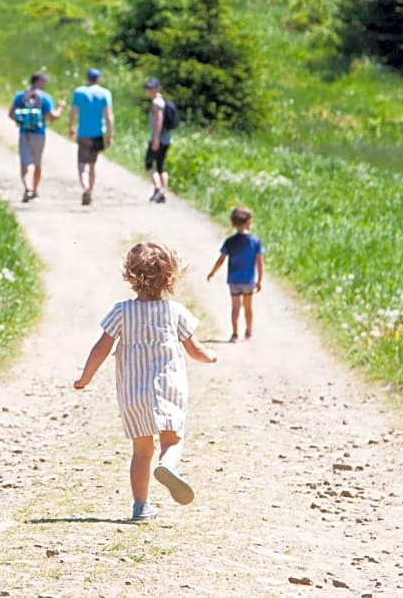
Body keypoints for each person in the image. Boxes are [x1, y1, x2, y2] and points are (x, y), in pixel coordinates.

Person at [73, 241, 217, 522]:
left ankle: (140, 506)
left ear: (130, 276)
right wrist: (210, 356)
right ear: (170, 277)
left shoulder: (121, 311)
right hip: (168, 388)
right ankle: (168, 467)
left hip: (133, 392)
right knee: (172, 441)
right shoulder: (174, 311)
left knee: (141, 451)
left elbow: (101, 347)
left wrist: (85, 376)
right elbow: (195, 350)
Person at [206, 206, 265, 343]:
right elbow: (260, 262)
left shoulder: (230, 241)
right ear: (249, 221)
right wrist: (260, 280)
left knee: (235, 307)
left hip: (233, 279)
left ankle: (234, 334)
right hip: (248, 280)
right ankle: (249, 331)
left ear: (233, 224)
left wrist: (212, 272)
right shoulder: (255, 242)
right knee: (248, 306)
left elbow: (221, 259)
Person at [8, 71, 66, 202]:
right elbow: (53, 117)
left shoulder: (21, 96)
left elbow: (11, 114)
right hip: (39, 133)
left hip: (24, 133)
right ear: (38, 82)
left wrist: (22, 122)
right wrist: (61, 107)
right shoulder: (45, 98)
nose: (45, 83)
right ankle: (34, 189)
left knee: (24, 162)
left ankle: (27, 187)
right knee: (37, 163)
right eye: (43, 81)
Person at [67, 67, 114, 206]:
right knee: (93, 165)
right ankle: (91, 190)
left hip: (83, 133)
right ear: (98, 79)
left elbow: (73, 112)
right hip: (98, 133)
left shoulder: (79, 92)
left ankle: (85, 187)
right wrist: (110, 135)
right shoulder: (105, 93)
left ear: (87, 78)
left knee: (82, 165)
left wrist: (70, 127)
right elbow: (108, 116)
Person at [144, 76, 172, 203]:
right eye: (148, 87)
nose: (149, 90)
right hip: (166, 139)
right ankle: (163, 192)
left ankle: (158, 188)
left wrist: (155, 138)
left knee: (149, 163)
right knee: (161, 166)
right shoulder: (163, 101)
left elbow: (159, 120)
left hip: (158, 138)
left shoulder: (156, 102)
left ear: (158, 88)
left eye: (151, 88)